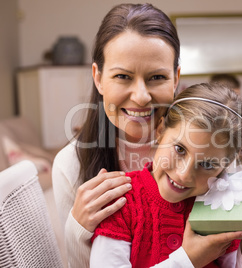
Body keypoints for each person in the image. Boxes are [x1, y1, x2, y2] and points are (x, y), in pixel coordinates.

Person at [90, 83, 242, 267]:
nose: (183, 174)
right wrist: (189, 260)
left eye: (206, 164)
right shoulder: (120, 201)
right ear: (161, 130)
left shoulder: (222, 203)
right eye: (180, 149)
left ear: (226, 166)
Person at [52, 4, 181, 267]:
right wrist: (77, 228)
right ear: (98, 78)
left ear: (176, 79)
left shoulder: (204, 147)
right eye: (123, 76)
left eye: (157, 77)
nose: (142, 97)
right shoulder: (71, 164)